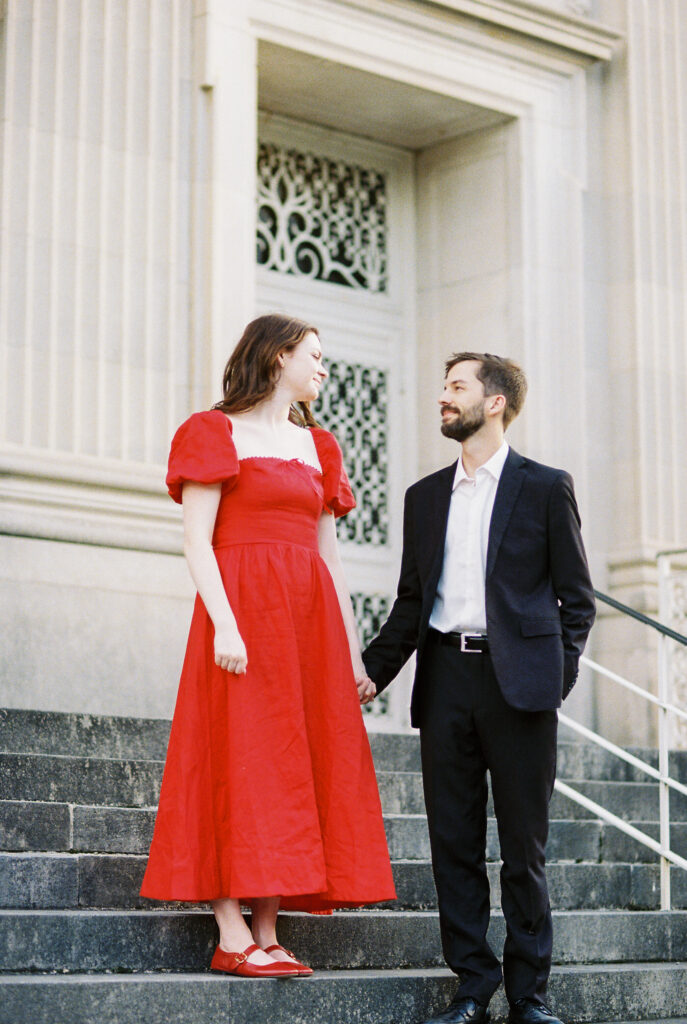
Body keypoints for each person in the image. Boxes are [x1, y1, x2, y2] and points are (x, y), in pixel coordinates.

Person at [140, 313, 395, 978]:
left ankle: (267, 928)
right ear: (278, 356)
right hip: (241, 614)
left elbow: (329, 561)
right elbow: (197, 540)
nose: (323, 368)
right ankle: (229, 931)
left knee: (291, 761)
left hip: (306, 623)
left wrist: (351, 655)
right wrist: (225, 623)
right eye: (313, 355)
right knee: (236, 755)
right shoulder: (212, 431)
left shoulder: (321, 447)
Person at [362, 353, 595, 1024]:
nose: (442, 397)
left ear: (493, 402)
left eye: (456, 387)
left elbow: (575, 600)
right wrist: (373, 671)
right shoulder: (423, 496)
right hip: (444, 680)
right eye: (441, 386)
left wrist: (555, 675)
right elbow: (411, 601)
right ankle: (471, 985)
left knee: (524, 849)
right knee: (452, 845)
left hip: (519, 685)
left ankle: (529, 995)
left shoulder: (546, 487)